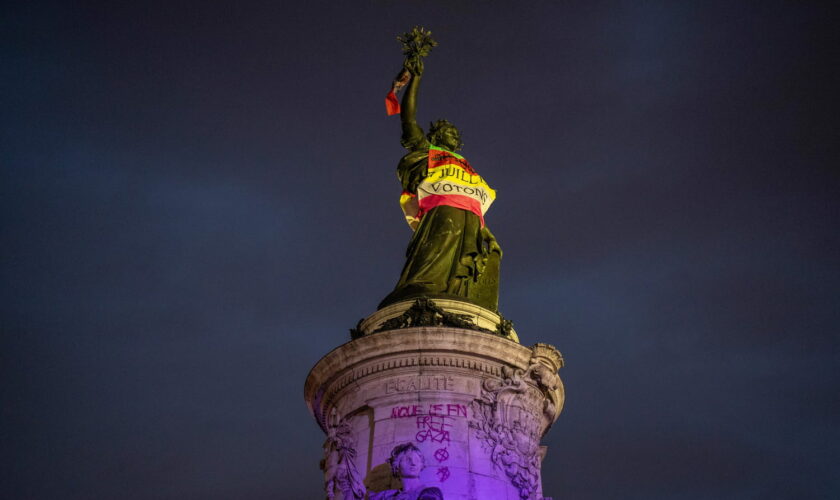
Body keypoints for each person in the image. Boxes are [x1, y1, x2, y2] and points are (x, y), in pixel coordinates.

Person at [379, 54, 502, 312]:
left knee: (470, 259)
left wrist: (483, 228)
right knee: (438, 248)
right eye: (448, 131)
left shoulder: (464, 164)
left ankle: (459, 296)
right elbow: (409, 120)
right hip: (440, 211)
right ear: (435, 134)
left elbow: (476, 200)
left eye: (456, 134)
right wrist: (416, 80)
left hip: (470, 217)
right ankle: (422, 286)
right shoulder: (427, 150)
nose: (453, 135)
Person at [369, 443, 444, 500]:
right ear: (396, 465)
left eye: (417, 460)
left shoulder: (431, 493)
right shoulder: (387, 495)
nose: (413, 463)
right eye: (408, 460)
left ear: (421, 465)